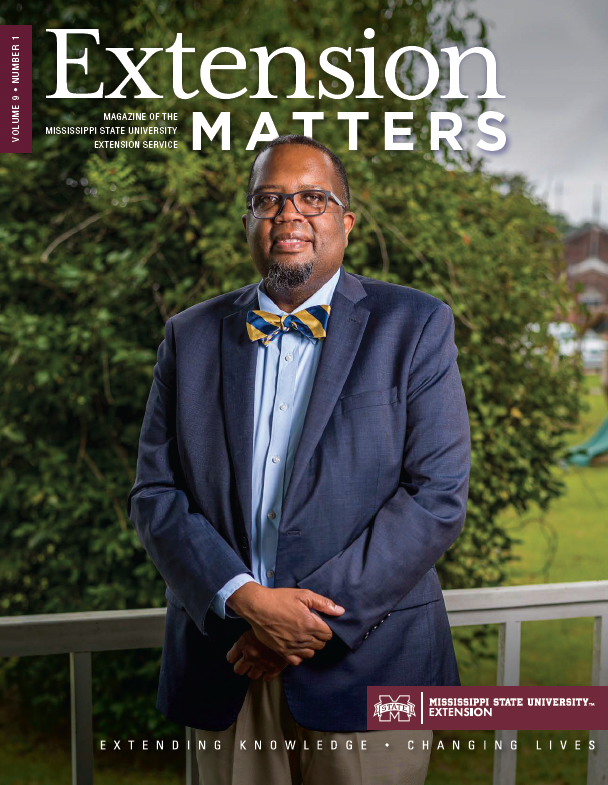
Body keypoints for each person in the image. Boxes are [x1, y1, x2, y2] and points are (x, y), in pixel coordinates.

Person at [127, 134, 471, 785]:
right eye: (269, 199)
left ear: (346, 221)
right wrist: (247, 600)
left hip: (369, 664)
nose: (290, 215)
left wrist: (299, 623)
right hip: (226, 661)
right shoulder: (189, 336)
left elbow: (436, 494)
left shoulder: (416, 324)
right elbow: (156, 495)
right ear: (250, 221)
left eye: (313, 197)